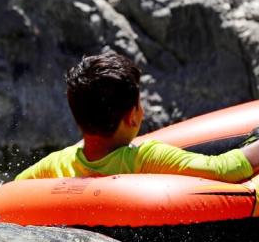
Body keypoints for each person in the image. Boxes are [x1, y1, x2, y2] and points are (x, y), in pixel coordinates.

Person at [15, 51, 259, 181]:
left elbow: (13, 190)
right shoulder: (145, 158)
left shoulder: (57, 163)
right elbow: (223, 169)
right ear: (132, 116)